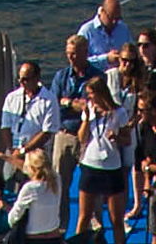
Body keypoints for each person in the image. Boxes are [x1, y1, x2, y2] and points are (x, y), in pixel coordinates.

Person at [50, 34, 104, 232]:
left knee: (92, 183)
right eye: (68, 54)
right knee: (59, 184)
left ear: (85, 52)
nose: (70, 58)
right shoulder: (61, 77)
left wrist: (69, 103)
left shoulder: (97, 77)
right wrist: (72, 104)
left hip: (89, 137)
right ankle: (60, 226)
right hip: (64, 135)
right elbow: (54, 103)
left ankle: (95, 226)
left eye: (74, 54)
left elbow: (95, 105)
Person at [76, 76, 131, 244]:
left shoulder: (119, 112)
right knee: (84, 216)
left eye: (91, 94)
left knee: (116, 220)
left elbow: (127, 140)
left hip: (111, 167)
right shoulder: (90, 110)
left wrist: (117, 137)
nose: (89, 97)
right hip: (90, 165)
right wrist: (86, 118)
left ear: (100, 92)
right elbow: (82, 138)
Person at [0, 147, 62, 244]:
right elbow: (26, 167)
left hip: (34, 240)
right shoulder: (57, 180)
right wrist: (2, 156)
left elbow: (13, 218)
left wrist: (5, 207)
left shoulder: (30, 188)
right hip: (55, 237)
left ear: (31, 168)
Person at [106, 43, 147, 220]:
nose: (127, 65)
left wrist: (131, 124)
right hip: (111, 128)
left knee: (125, 168)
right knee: (110, 167)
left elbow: (141, 108)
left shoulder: (138, 81)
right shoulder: (110, 76)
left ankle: (124, 208)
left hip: (130, 129)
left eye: (131, 61)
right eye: (124, 60)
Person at [0, 62, 60, 161]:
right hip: (14, 151)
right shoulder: (11, 97)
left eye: (25, 79)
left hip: (37, 154)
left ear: (37, 78)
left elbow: (47, 132)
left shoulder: (49, 100)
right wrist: (12, 150)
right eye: (19, 79)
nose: (21, 83)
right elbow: (5, 126)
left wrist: (24, 150)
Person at [77, 0, 133, 72]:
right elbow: (79, 61)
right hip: (95, 76)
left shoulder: (123, 28)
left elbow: (132, 51)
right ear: (102, 12)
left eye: (117, 18)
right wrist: (106, 59)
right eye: (111, 17)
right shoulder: (87, 31)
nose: (114, 22)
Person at [134, 92, 156, 244]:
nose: (139, 114)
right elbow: (143, 158)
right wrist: (147, 177)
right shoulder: (143, 128)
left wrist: (150, 168)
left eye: (142, 110)